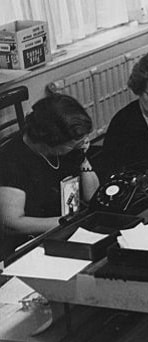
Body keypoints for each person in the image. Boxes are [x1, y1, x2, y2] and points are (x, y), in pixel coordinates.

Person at [0, 95, 99, 258]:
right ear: (49, 142)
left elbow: (91, 196)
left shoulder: (68, 146)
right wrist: (66, 222)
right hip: (29, 243)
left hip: (66, 229)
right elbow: (12, 224)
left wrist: (82, 157)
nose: (82, 143)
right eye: (74, 143)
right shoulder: (11, 161)